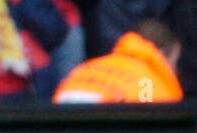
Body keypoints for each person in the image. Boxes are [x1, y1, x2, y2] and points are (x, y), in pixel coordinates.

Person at [54, 20, 184, 104]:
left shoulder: (86, 68)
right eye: (173, 63)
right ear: (161, 54)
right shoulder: (148, 83)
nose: (175, 72)